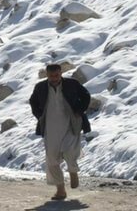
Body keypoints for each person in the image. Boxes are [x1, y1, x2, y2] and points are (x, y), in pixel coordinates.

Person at [28, 62, 91, 200]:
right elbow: (33, 102)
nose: (54, 78)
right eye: (51, 76)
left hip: (70, 124)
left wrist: (79, 111)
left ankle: (73, 171)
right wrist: (40, 116)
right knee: (52, 159)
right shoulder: (40, 87)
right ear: (47, 75)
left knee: (70, 152)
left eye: (57, 75)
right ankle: (60, 190)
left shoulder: (72, 84)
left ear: (61, 73)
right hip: (50, 127)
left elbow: (86, 96)